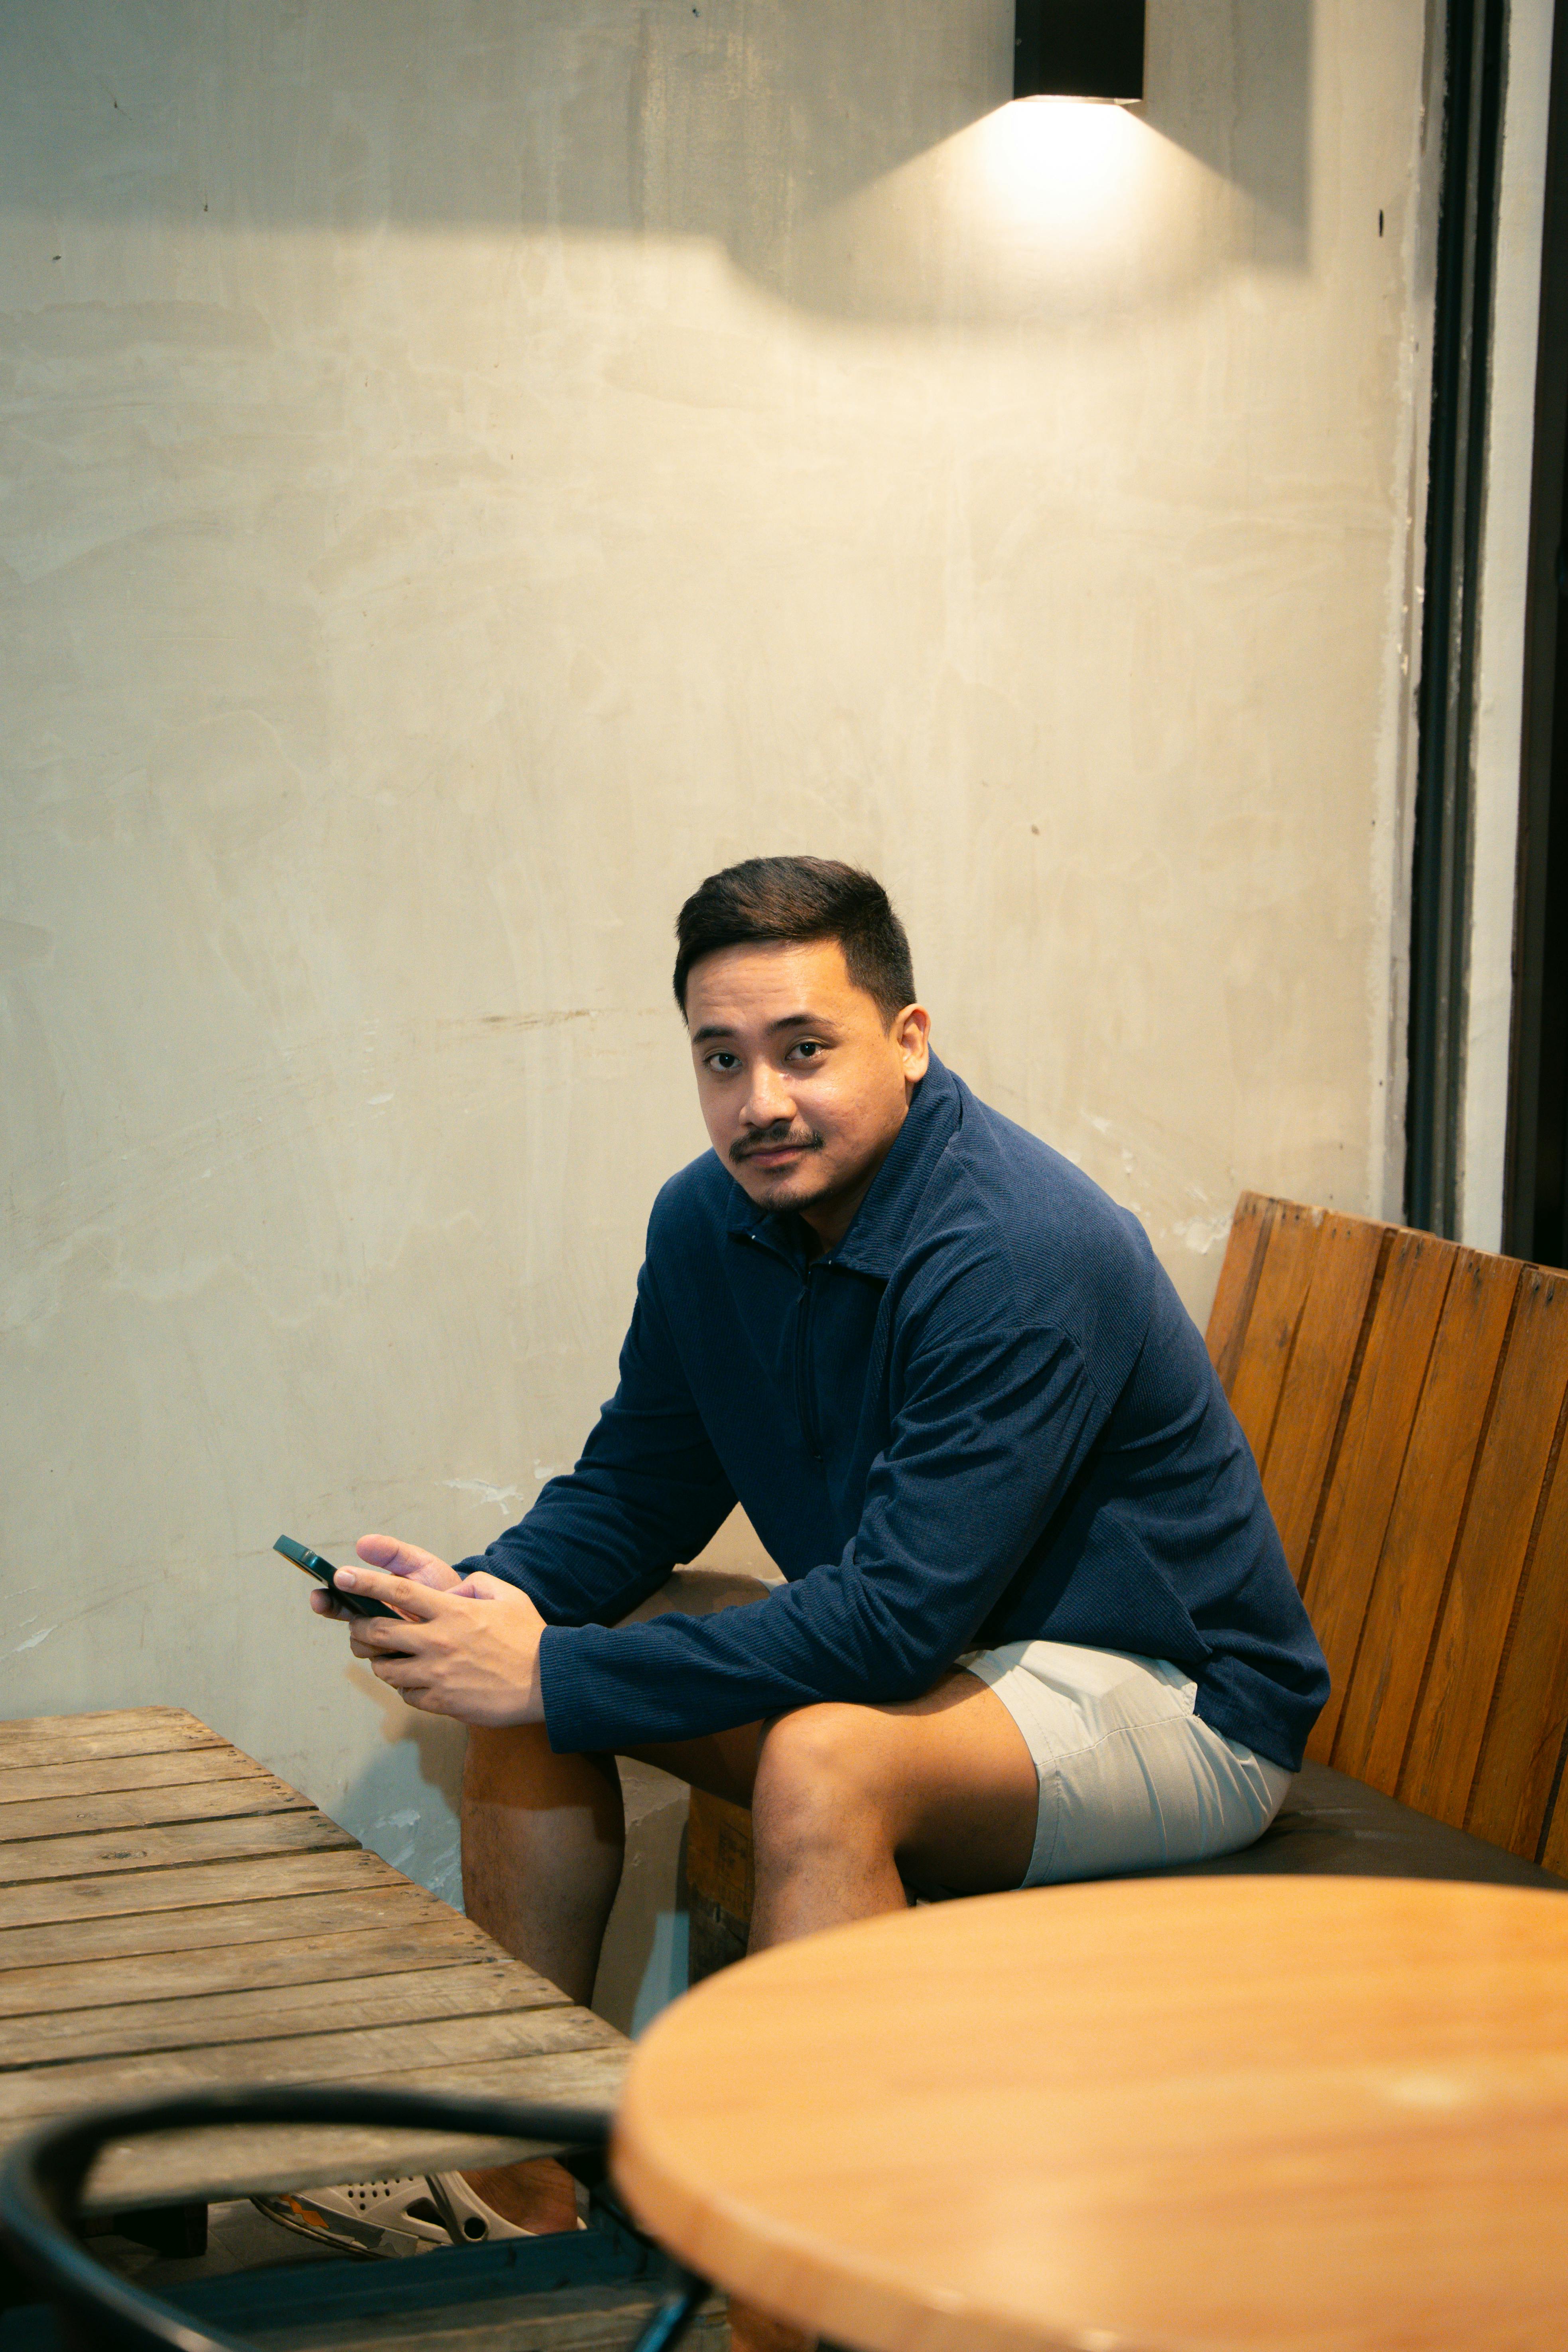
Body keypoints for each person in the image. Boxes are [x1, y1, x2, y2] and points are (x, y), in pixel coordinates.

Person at [314, 855, 1329, 2011]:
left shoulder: (1016, 1247)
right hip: (945, 1654)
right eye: (721, 1059)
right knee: (533, 1636)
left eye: (805, 1048)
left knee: (819, 1761)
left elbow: (893, 1624)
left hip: (1172, 1692)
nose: (761, 1102)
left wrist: (550, 1667)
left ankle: (784, 2190)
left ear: (907, 1038)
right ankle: (522, 2183)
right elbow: (637, 1489)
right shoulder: (707, 1220)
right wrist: (470, 1601)